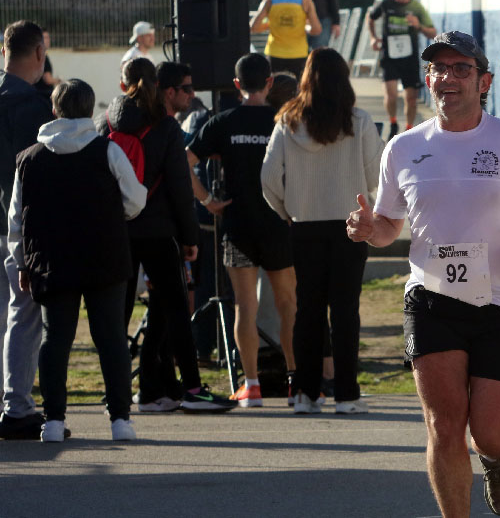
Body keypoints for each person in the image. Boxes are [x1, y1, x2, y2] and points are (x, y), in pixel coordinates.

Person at [347, 31, 500, 517]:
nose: (447, 78)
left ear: (484, 80)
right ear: (428, 79)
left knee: (493, 434)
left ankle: (496, 460)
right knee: (444, 426)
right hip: (431, 298)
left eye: (461, 69)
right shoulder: (404, 148)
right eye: (438, 70)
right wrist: (371, 230)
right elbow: (388, 226)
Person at [9, 79, 146, 442]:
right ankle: (120, 420)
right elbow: (135, 200)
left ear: (53, 111)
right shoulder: (107, 150)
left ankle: (53, 421)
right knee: (111, 339)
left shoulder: (28, 158)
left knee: (55, 341)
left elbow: (16, 221)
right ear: (91, 112)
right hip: (104, 255)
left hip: (50, 260)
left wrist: (22, 263)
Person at [100, 58, 234, 413]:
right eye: (187, 89)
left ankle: (127, 391)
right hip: (158, 230)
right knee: (175, 309)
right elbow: (178, 186)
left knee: (119, 313)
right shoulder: (166, 127)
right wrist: (191, 238)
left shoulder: (108, 122)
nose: (192, 94)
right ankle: (191, 388)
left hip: (118, 230)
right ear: (163, 88)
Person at [262, 48, 383, 414]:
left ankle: (304, 392)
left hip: (303, 224)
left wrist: (286, 209)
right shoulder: (358, 120)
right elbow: (378, 173)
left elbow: (268, 177)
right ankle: (346, 394)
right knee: (345, 311)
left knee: (307, 311)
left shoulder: (287, 121)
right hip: (349, 224)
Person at [186, 53, 297, 408]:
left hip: (237, 225)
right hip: (278, 223)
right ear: (269, 83)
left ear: (236, 85)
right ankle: (298, 382)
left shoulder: (223, 121)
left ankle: (251, 387)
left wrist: (207, 201)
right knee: (288, 304)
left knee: (244, 307)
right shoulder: (285, 121)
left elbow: (183, 161)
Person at [0, 20, 54, 440]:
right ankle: (17, 406)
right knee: (24, 315)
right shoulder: (35, 107)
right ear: (38, 53)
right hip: (18, 224)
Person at [367, 0, 437, 139]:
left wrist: (418, 25)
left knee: (411, 97)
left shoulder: (417, 8)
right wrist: (372, 37)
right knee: (391, 94)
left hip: (409, 58)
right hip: (389, 55)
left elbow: (432, 32)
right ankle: (392, 122)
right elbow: (370, 18)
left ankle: (408, 128)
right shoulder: (386, 4)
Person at [250, 0, 321, 78]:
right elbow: (316, 30)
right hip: (299, 54)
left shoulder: (269, 1)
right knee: (298, 92)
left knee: (275, 92)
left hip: (275, 55)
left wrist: (271, 24)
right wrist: (305, 27)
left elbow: (253, 27)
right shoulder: (305, 1)